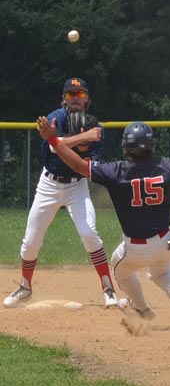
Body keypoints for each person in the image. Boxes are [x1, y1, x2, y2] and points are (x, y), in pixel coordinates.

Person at [36, 118, 170, 325]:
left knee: (119, 269)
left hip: (136, 248)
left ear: (126, 147)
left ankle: (142, 309)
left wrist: (53, 139)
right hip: (168, 240)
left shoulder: (116, 171)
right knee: (160, 270)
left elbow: (79, 166)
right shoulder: (168, 166)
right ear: (151, 144)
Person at [3, 78, 118, 309]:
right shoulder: (57, 117)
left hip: (76, 186)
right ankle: (25, 288)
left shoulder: (97, 126)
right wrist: (84, 138)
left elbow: (85, 165)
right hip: (48, 185)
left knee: (89, 234)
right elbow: (54, 147)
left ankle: (108, 289)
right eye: (70, 94)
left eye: (80, 94)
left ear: (88, 99)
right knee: (30, 241)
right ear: (63, 99)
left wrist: (66, 140)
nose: (75, 98)